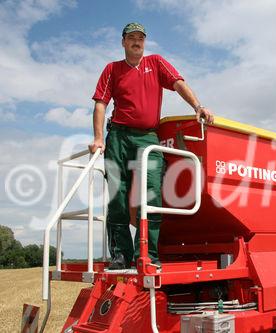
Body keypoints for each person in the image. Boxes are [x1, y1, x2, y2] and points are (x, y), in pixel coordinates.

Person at [89, 22, 213, 270]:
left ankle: (147, 255)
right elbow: (101, 104)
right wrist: (99, 138)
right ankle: (121, 255)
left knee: (152, 193)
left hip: (148, 138)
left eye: (141, 38)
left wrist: (197, 106)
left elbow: (178, 83)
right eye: (132, 38)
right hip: (119, 137)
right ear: (123, 42)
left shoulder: (156, 63)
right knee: (117, 195)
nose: (137, 42)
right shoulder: (112, 69)